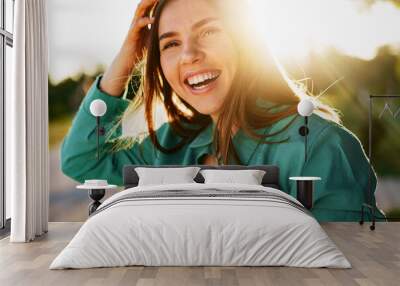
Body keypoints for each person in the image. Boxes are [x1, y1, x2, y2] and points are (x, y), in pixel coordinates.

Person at [61, 0, 383, 221]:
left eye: (208, 31)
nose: (189, 54)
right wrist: (126, 57)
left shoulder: (322, 148)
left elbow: (348, 260)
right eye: (170, 43)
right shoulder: (175, 141)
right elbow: (84, 159)